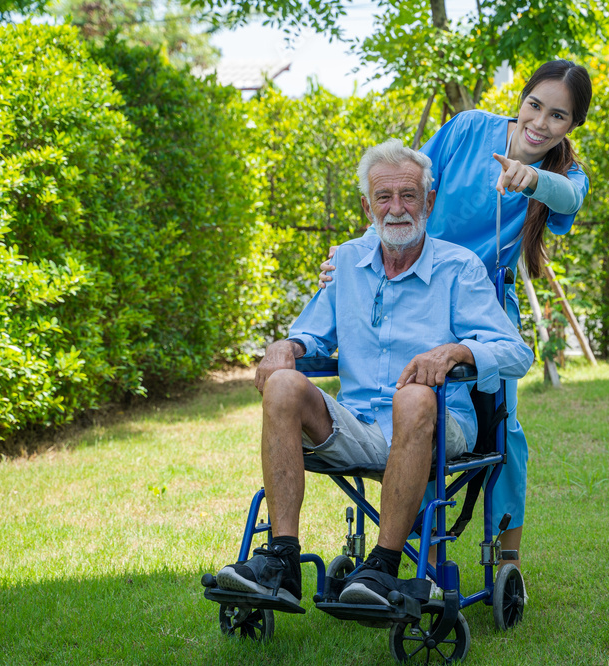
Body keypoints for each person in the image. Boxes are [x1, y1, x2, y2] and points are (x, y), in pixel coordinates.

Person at [215, 139, 533, 608]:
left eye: (409, 195)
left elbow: (516, 353)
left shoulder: (459, 268)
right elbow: (311, 333)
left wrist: (457, 351)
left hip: (438, 425)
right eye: (384, 197)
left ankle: (382, 567)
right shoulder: (346, 261)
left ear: (428, 201)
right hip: (359, 424)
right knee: (283, 384)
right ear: (367, 206)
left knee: (415, 394)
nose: (396, 208)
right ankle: (281, 561)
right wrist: (287, 346)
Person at [319, 60, 593, 570]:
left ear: (573, 124)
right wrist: (357, 252)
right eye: (534, 105)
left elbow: (568, 197)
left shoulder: (564, 175)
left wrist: (531, 177)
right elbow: (405, 188)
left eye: (558, 116)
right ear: (522, 99)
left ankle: (506, 556)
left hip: (482, 308)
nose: (540, 123)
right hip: (416, 292)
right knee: (413, 409)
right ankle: (413, 555)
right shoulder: (468, 130)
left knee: (503, 429)